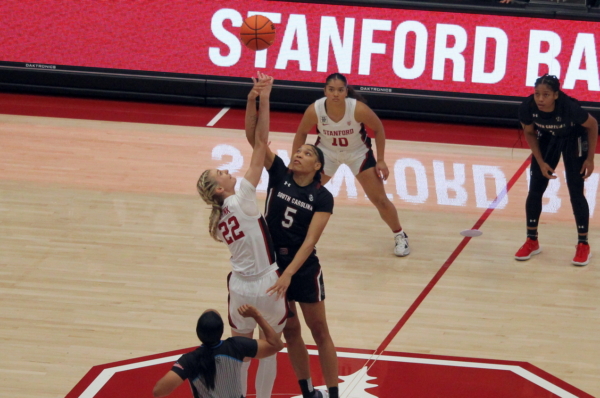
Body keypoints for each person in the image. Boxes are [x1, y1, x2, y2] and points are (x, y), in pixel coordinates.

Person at [196, 72, 287, 398]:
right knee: (270, 350)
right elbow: (261, 143)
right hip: (266, 284)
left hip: (239, 288)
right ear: (220, 188)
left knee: (242, 354)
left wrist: (251, 99)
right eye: (220, 172)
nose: (226, 169)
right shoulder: (242, 197)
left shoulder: (218, 218)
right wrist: (265, 98)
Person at [245, 86, 338, 398]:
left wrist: (288, 274)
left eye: (308, 153)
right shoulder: (279, 173)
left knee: (320, 331)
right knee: (292, 330)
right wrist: (258, 100)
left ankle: (335, 393)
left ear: (318, 169)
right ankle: (308, 390)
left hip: (302, 268)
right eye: (300, 150)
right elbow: (256, 140)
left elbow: (311, 241)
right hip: (274, 264)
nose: (300, 153)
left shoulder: (322, 196)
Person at [293, 72, 410, 257]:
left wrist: (380, 159)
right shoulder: (315, 109)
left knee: (379, 199)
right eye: (331, 90)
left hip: (358, 154)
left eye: (340, 90)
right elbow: (301, 133)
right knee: (303, 194)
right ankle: (295, 238)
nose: (336, 94)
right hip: (327, 154)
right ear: (325, 90)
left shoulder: (357, 108)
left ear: (346, 91)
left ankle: (400, 235)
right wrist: (296, 159)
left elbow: (378, 128)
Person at [515, 74, 598, 266]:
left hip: (574, 139)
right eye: (537, 94)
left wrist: (590, 158)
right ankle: (532, 241)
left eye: (546, 94)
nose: (541, 99)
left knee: (576, 191)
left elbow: (592, 125)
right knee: (535, 189)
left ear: (556, 95)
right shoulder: (527, 107)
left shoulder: (569, 108)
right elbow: (529, 132)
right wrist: (541, 161)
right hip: (547, 138)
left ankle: (583, 244)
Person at [152, 305, 284, 398]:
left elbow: (159, 391)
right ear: (221, 331)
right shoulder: (237, 346)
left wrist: (183, 368)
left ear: (198, 333)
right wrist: (257, 316)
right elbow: (276, 345)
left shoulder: (190, 360)